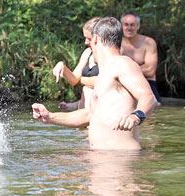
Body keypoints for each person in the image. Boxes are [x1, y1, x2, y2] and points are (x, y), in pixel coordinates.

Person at [32, 17, 158, 150]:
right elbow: (89, 115)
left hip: (119, 159)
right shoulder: (104, 73)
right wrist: (50, 117)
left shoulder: (121, 63)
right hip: (99, 157)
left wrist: (136, 116)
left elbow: (149, 97)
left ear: (96, 39)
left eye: (90, 40)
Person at [55, 17, 100, 112]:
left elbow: (102, 82)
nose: (85, 42)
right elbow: (74, 80)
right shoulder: (87, 52)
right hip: (84, 111)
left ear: (98, 37)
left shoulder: (110, 55)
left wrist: (81, 79)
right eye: (85, 38)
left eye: (89, 39)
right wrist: (62, 66)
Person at [120, 11, 161, 103]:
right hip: (124, 85)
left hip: (147, 83)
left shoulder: (148, 43)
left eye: (132, 25)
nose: (129, 28)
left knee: (154, 108)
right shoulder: (117, 44)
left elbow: (150, 71)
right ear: (122, 26)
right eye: (126, 25)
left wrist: (123, 71)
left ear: (138, 26)